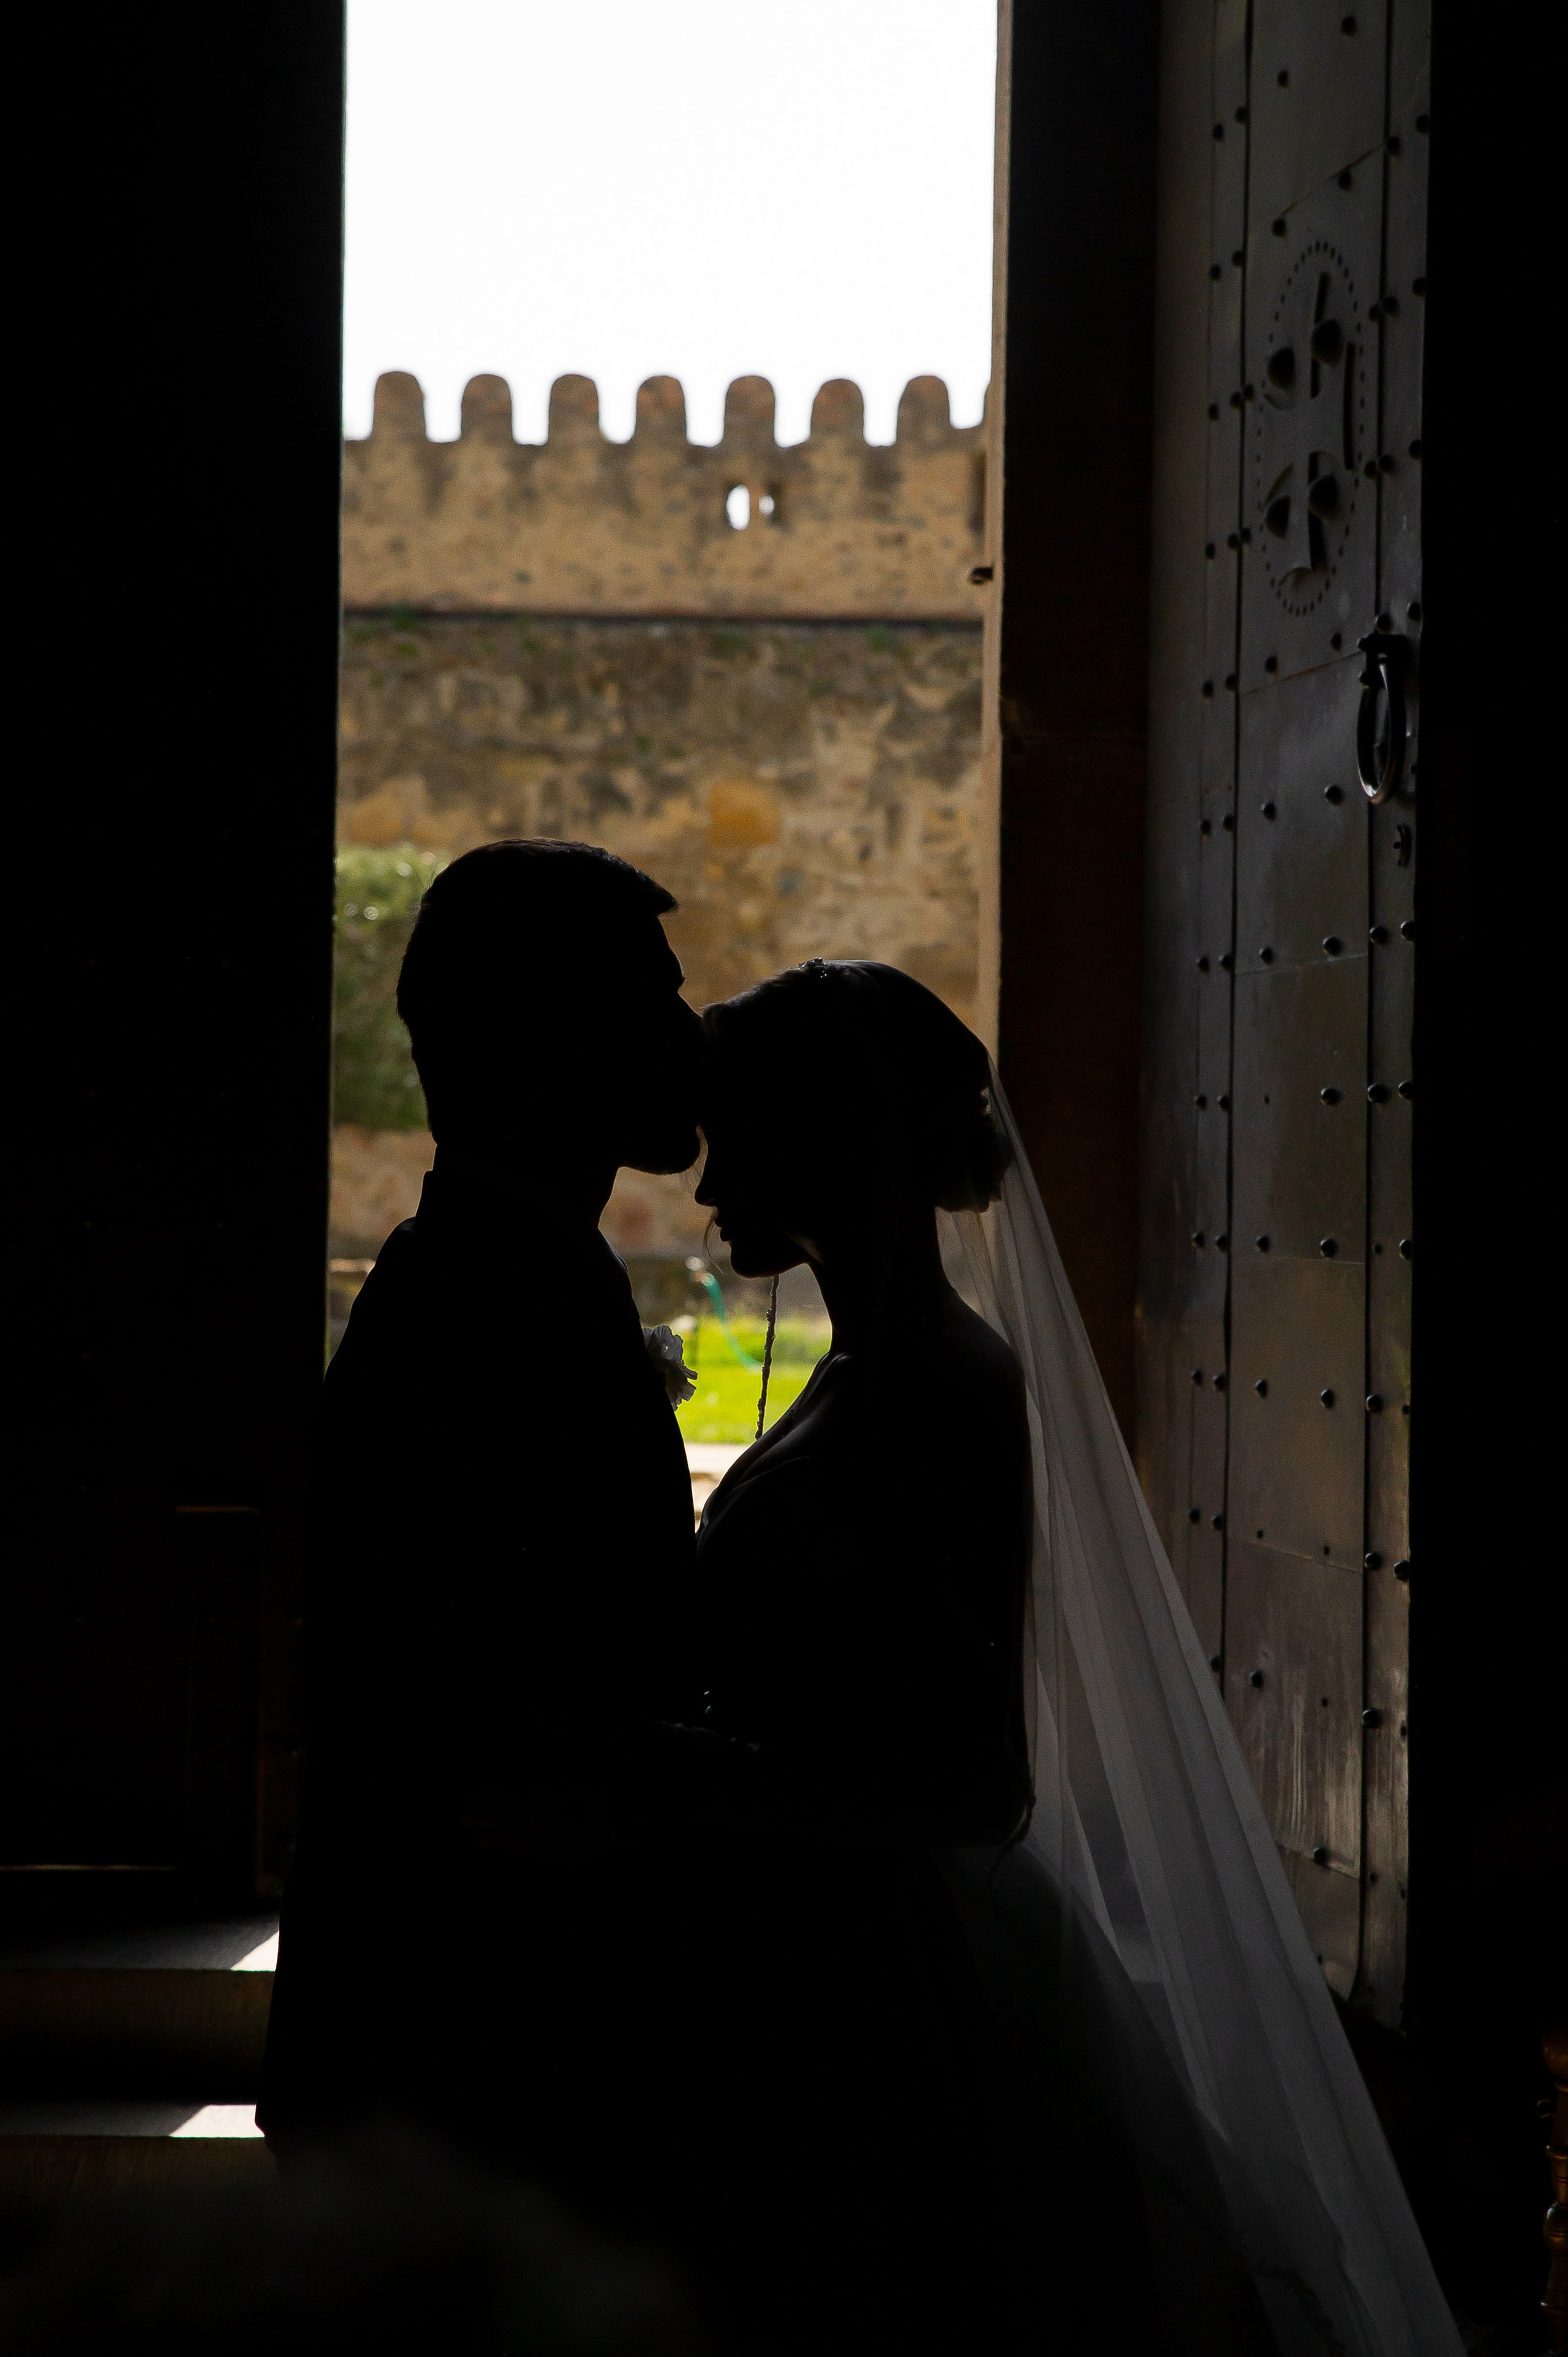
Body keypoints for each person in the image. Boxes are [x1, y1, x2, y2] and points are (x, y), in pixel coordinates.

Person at [687, 959, 1460, 2357]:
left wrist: (708, 1788)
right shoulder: (868, 1368)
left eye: (728, 1135)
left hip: (879, 1984)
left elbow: (977, 1785)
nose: (700, 1186)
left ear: (825, 1134)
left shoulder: (940, 1386)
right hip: (806, 1944)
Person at [259, 842, 705, 2235]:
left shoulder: (504, 1270)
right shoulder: (496, 1301)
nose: (690, 1037)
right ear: (556, 1035)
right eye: (654, 998)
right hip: (469, 2049)